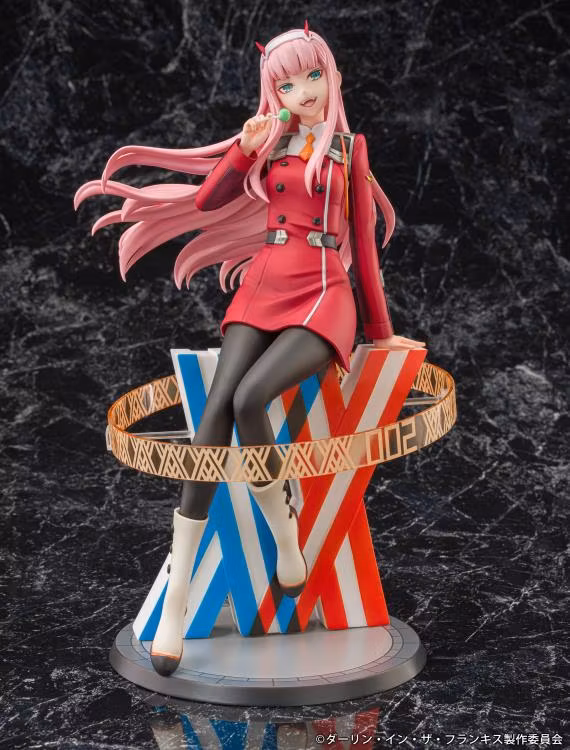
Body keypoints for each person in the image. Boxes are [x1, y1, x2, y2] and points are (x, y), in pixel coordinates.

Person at [75, 22, 425, 677]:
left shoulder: (348, 149)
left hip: (323, 294)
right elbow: (211, 199)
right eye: (287, 83)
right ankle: (180, 593)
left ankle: (285, 533)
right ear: (273, 91)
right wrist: (243, 149)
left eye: (313, 76)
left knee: (252, 396)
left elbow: (364, 245)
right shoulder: (267, 143)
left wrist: (379, 330)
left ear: (332, 75)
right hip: (264, 284)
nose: (304, 92)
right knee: (216, 409)